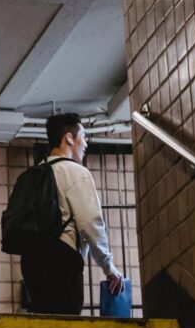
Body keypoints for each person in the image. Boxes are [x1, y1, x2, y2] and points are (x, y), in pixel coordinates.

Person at [21, 113, 125, 314]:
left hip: (31, 260)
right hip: (62, 259)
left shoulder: (35, 173)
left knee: (44, 322)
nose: (85, 143)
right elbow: (90, 223)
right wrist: (108, 266)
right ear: (69, 138)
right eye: (83, 136)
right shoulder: (76, 172)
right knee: (66, 323)